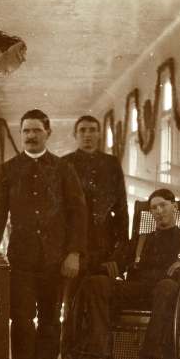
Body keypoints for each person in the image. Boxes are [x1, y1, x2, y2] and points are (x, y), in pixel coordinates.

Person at [0, 109, 88, 359]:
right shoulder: (10, 169)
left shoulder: (64, 169)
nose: (30, 136)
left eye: (36, 130)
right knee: (23, 319)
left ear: (48, 133)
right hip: (21, 258)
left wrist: (74, 252)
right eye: (26, 130)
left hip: (56, 260)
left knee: (51, 319)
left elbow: (78, 214)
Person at [79, 188, 180, 359]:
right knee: (96, 283)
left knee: (166, 287)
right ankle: (100, 351)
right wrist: (92, 267)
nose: (159, 211)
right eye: (154, 208)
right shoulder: (140, 240)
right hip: (137, 289)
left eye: (163, 205)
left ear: (174, 207)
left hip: (169, 294)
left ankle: (151, 352)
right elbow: (116, 264)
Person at [62, 115, 129, 274]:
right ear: (75, 135)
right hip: (73, 243)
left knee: (102, 287)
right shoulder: (64, 164)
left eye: (92, 130)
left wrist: (122, 247)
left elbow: (121, 206)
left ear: (99, 134)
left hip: (105, 240)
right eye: (82, 130)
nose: (87, 135)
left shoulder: (111, 163)